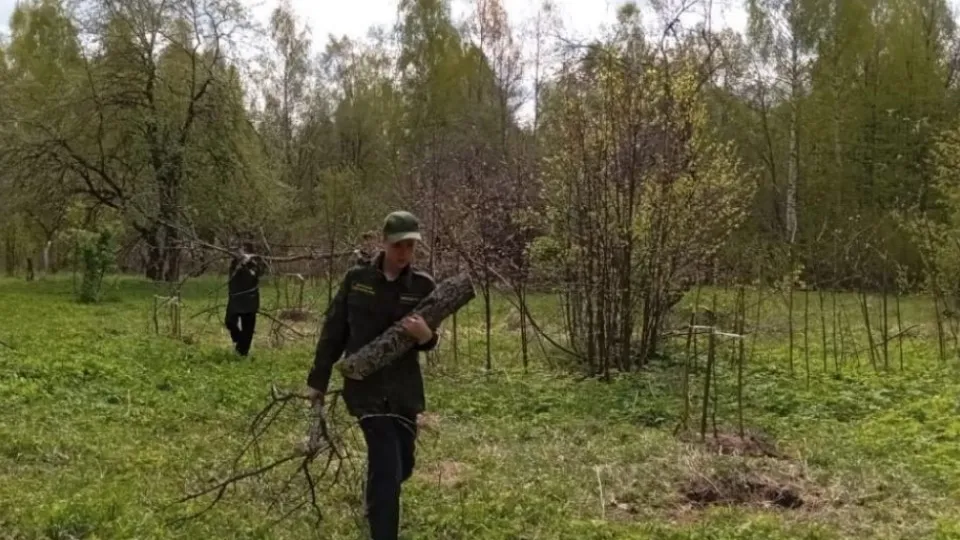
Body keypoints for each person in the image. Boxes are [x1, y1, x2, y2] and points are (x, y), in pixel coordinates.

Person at [306, 211, 439, 540]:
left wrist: (426, 337)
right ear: (384, 242)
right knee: (387, 466)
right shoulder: (358, 280)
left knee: (402, 464)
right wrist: (318, 380)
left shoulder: (423, 286)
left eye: (410, 246)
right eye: (398, 245)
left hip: (404, 391)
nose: (404, 252)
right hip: (365, 389)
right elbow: (334, 331)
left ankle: (376, 500)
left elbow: (431, 339)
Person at [225, 241, 266, 357]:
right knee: (229, 322)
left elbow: (253, 277)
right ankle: (239, 340)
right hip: (235, 299)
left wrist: (246, 264)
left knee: (248, 329)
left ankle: (242, 353)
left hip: (249, 300)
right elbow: (231, 278)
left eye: (241, 250)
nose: (238, 252)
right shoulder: (234, 263)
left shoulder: (255, 263)